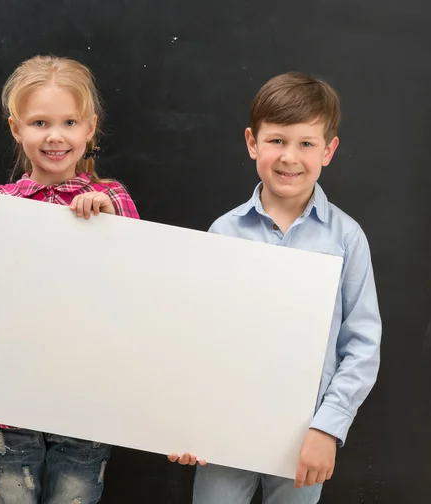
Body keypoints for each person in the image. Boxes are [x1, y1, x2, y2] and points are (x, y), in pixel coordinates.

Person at [168, 71, 381, 504]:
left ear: (329, 150)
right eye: (277, 141)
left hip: (304, 437)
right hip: (223, 432)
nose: (290, 157)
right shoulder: (223, 233)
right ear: (252, 143)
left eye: (306, 143)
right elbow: (197, 337)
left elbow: (362, 344)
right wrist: (187, 422)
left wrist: (328, 427)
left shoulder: (346, 238)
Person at [0, 55, 139, 504]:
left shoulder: (111, 198)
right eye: (39, 122)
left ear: (89, 128)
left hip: (84, 404)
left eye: (70, 121)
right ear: (16, 128)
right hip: (6, 407)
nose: (55, 135)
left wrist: (114, 226)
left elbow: (135, 297)